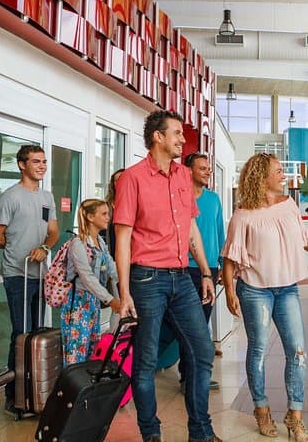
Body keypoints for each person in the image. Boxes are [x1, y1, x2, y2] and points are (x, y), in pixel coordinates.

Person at [221, 153, 308, 442]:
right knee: (257, 350)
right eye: (278, 171)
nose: (283, 176)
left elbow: (306, 240)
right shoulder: (243, 215)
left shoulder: (289, 205)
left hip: (287, 288)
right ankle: (261, 408)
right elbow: (230, 257)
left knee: (298, 351)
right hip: (254, 290)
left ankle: (295, 416)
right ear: (262, 177)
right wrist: (230, 291)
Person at [114, 110, 220, 442]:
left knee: (202, 351)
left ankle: (200, 432)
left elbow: (191, 229)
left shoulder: (183, 177)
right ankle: (151, 433)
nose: (182, 139)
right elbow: (122, 239)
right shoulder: (132, 178)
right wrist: (124, 293)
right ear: (158, 137)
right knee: (145, 361)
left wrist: (205, 271)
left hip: (182, 277)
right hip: (146, 279)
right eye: (176, 133)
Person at [0, 144, 59, 416]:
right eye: (36, 161)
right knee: (21, 334)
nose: (42, 166)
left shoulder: (46, 198)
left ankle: (35, 392)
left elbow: (52, 231)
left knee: (37, 334)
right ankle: (14, 396)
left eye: (44, 161)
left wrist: (45, 247)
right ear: (21, 164)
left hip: (39, 275)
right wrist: (18, 246)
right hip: (17, 275)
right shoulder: (9, 198)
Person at [181, 152, 226, 391]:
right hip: (185, 268)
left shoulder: (214, 199)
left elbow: (219, 233)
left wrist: (222, 264)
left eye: (208, 168)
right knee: (190, 325)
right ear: (189, 171)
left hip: (210, 269)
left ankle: (195, 375)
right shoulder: (181, 197)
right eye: (202, 168)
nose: (208, 172)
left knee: (202, 322)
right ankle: (189, 377)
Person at [61, 198, 121, 365]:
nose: (108, 218)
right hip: (78, 303)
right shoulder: (78, 244)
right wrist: (110, 300)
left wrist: (129, 285)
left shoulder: (100, 242)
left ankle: (86, 381)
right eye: (104, 214)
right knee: (76, 351)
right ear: (90, 217)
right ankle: (72, 381)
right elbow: (87, 277)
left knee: (91, 349)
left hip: (93, 301)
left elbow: (112, 268)